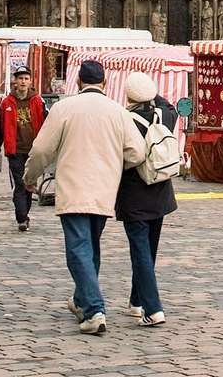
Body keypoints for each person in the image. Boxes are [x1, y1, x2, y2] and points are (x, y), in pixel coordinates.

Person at [22, 59, 148, 336]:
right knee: (90, 247)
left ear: (78, 82)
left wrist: (30, 179)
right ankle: (81, 300)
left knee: (78, 249)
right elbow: (137, 153)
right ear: (104, 83)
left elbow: (42, 149)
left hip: (73, 189)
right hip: (104, 190)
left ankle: (93, 310)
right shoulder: (118, 111)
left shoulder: (63, 108)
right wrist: (115, 164)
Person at [116, 70, 178, 327]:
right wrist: (153, 95)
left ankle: (153, 309)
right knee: (147, 250)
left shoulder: (124, 119)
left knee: (140, 251)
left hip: (134, 194)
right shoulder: (165, 115)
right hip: (160, 191)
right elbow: (169, 105)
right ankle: (137, 300)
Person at [0, 69, 47, 232]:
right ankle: (21, 218)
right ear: (15, 81)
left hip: (34, 150)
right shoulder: (7, 103)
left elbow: (48, 124)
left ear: (30, 81)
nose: (23, 81)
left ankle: (24, 215)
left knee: (28, 183)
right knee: (20, 183)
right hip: (14, 150)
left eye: (26, 78)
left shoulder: (38, 101)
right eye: (20, 78)